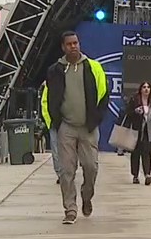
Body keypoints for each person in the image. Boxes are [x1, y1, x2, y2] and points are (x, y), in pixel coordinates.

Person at [41, 31, 108, 225]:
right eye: (69, 44)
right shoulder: (55, 70)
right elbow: (48, 98)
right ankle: (70, 209)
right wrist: (55, 123)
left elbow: (103, 94)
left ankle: (87, 196)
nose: (74, 46)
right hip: (67, 127)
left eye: (76, 43)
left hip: (87, 127)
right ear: (63, 47)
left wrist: (96, 119)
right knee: (66, 170)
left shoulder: (93, 67)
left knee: (91, 167)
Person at [117, 81, 151, 185]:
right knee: (135, 153)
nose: (146, 89)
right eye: (144, 87)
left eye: (148, 87)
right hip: (136, 130)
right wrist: (136, 111)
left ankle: (147, 175)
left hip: (148, 130)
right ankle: (135, 175)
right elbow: (128, 113)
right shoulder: (134, 100)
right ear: (140, 89)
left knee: (147, 152)